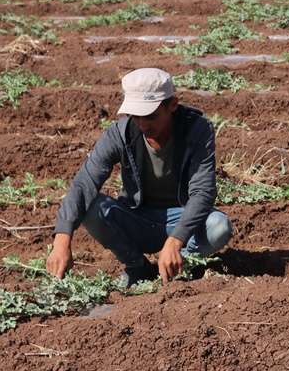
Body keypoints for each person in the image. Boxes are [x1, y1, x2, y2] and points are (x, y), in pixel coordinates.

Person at [46, 68, 232, 287]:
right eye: (136, 116)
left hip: (180, 219)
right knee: (91, 207)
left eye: (151, 116)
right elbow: (84, 182)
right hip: (137, 218)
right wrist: (61, 240)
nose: (143, 125)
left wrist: (175, 242)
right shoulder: (121, 133)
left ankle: (182, 264)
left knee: (219, 226)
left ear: (172, 105)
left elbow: (203, 192)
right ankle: (138, 267)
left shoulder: (196, 130)